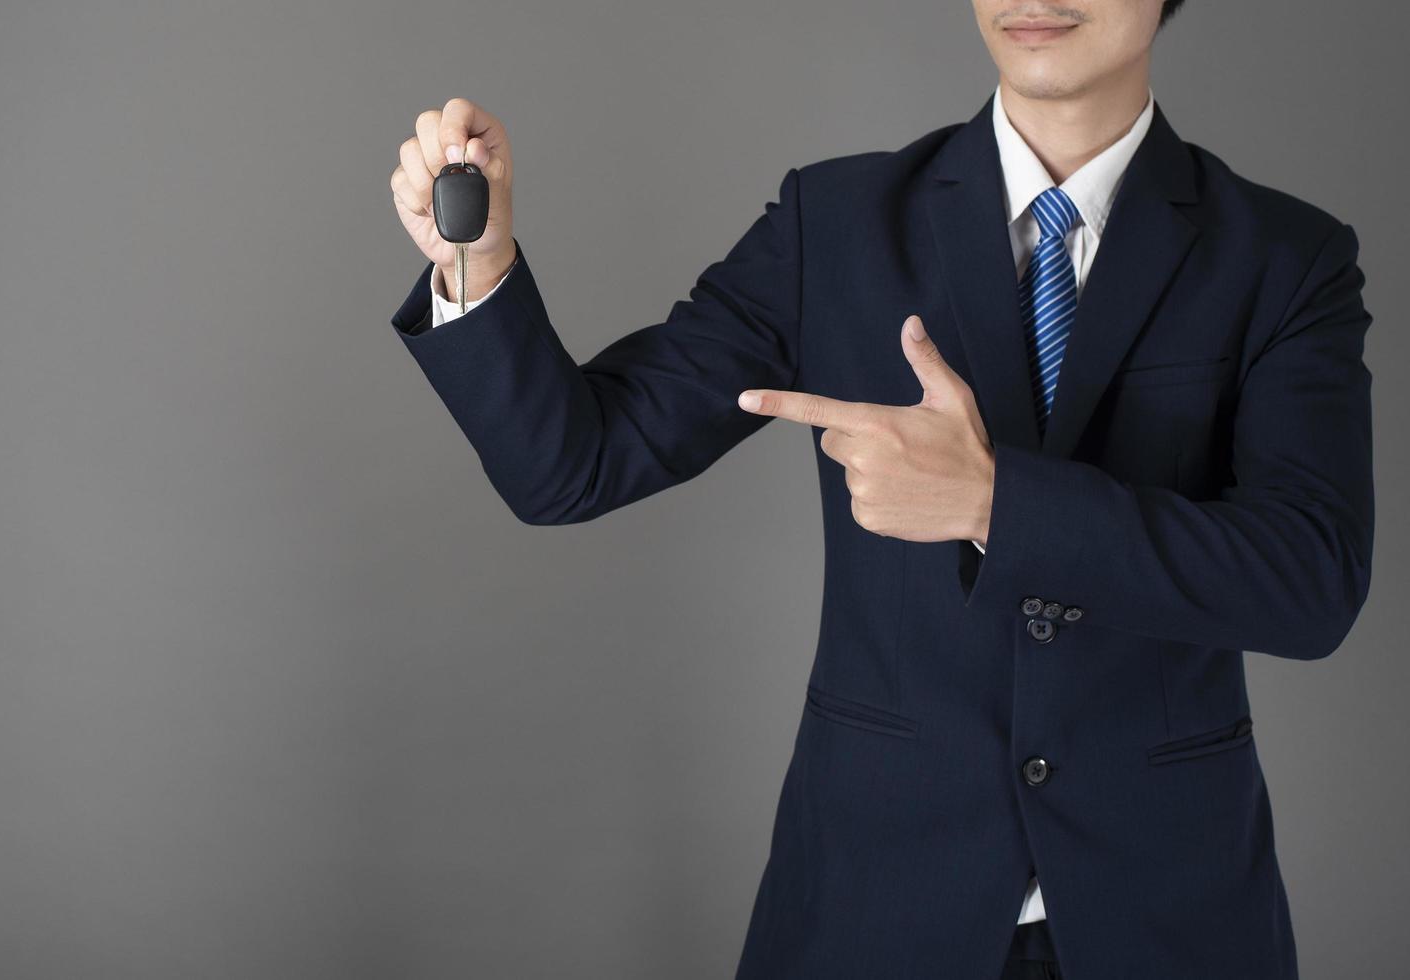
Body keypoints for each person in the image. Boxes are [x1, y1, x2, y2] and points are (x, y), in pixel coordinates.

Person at [383, 1, 1374, 976]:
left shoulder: (1284, 257)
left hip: (1168, 914)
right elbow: (573, 465)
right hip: (871, 904)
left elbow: (1309, 578)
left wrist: (993, 502)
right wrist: (479, 265)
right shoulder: (836, 222)